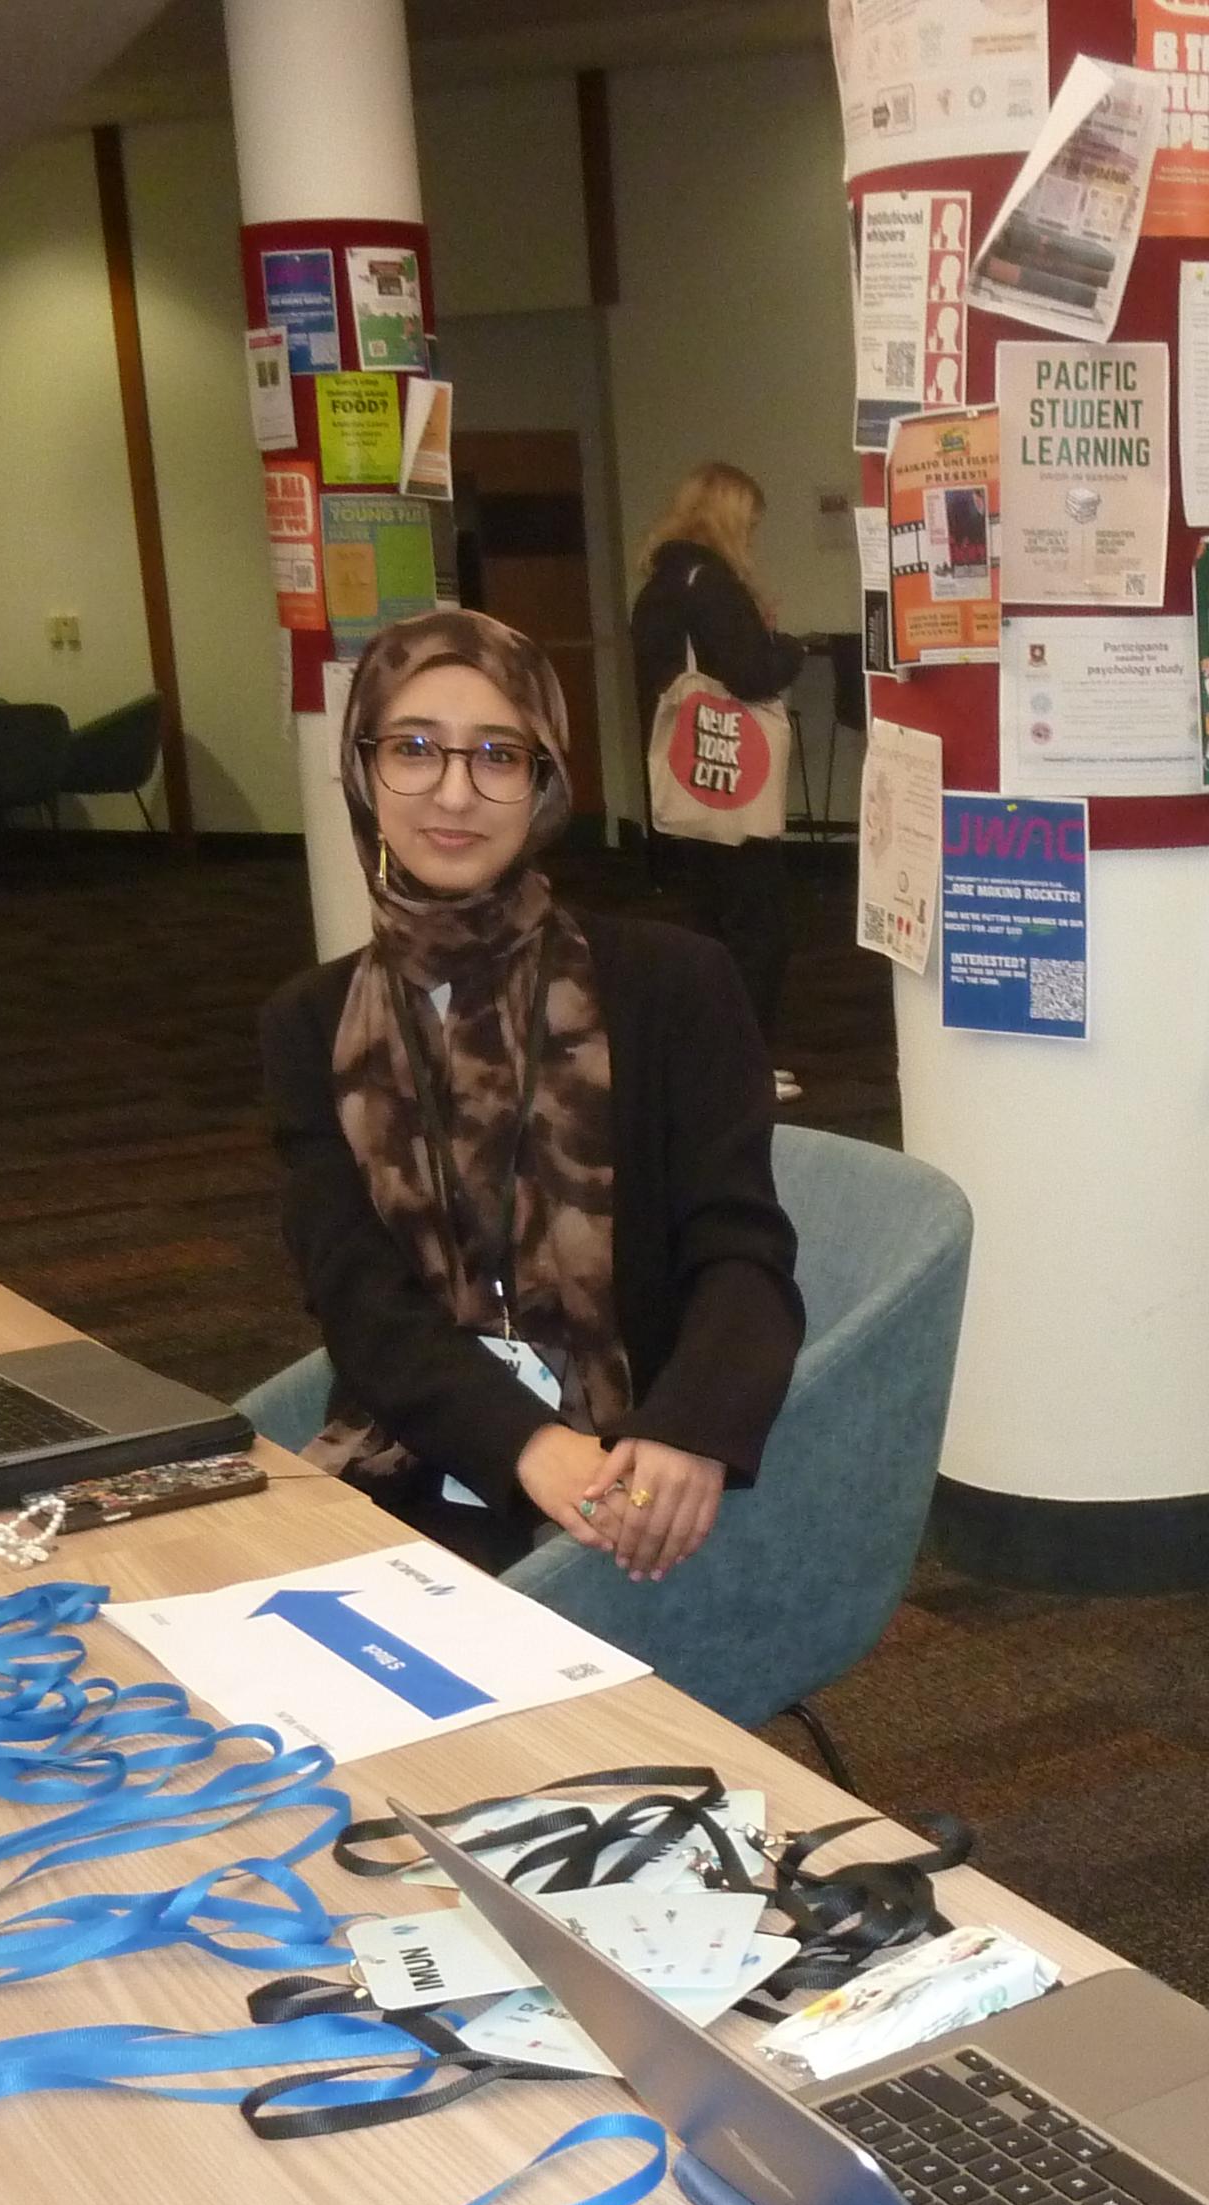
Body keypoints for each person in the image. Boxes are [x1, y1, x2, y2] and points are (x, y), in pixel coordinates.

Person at [259, 608, 800, 1582]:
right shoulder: (312, 1024)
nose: (454, 793)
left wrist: (689, 1429)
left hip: (635, 1478)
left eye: (497, 756)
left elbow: (743, 1254)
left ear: (543, 779)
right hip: (416, 1461)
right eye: (415, 749)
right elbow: (357, 1296)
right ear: (363, 770)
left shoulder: (673, 985)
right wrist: (525, 1444)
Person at [631, 461, 814, 1097]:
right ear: (730, 518)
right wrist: (790, 647)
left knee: (709, 924)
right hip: (731, 778)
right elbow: (751, 674)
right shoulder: (712, 583)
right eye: (752, 525)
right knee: (760, 927)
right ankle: (745, 1066)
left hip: (689, 776)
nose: (754, 538)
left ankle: (712, 1063)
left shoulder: (660, 583)